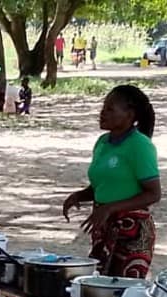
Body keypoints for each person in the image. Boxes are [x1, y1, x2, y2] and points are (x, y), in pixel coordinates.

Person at [62, 85, 160, 279]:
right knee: (98, 286)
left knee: (120, 290)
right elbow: (104, 185)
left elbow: (153, 193)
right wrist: (80, 196)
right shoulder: (102, 143)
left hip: (132, 232)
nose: (102, 114)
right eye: (103, 108)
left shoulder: (139, 146)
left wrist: (110, 208)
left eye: (110, 109)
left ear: (129, 114)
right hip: (104, 227)